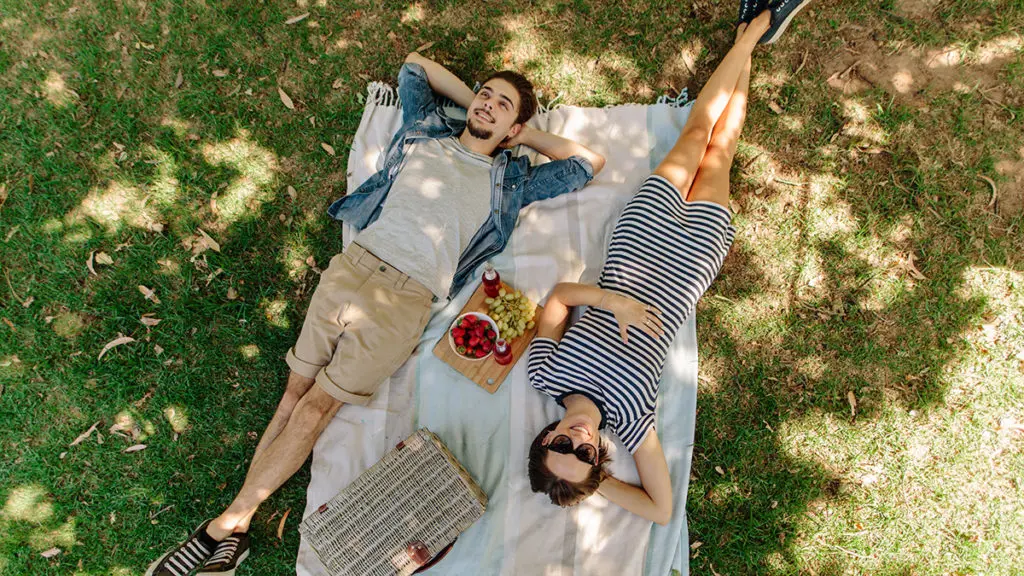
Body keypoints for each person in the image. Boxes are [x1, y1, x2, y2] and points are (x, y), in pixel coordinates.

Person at [147, 53, 605, 576]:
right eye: (485, 93)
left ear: (516, 126)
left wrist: (519, 137)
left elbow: (587, 165)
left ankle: (220, 529)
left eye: (503, 106)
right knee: (292, 395)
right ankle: (234, 531)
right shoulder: (426, 130)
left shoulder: (512, 182)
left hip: (404, 301)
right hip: (353, 268)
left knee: (316, 407)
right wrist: (476, 108)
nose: (486, 103)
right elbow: (414, 68)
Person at [526, 1, 811, 524]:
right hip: (689, 262)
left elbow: (560, 298)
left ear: (546, 436)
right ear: (597, 461)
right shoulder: (632, 424)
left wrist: (614, 301)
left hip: (635, 246)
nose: (576, 444)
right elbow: (662, 512)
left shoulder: (543, 374)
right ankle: (753, 29)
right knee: (722, 149)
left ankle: (752, 34)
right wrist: (596, 484)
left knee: (696, 133)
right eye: (583, 458)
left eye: (559, 448)